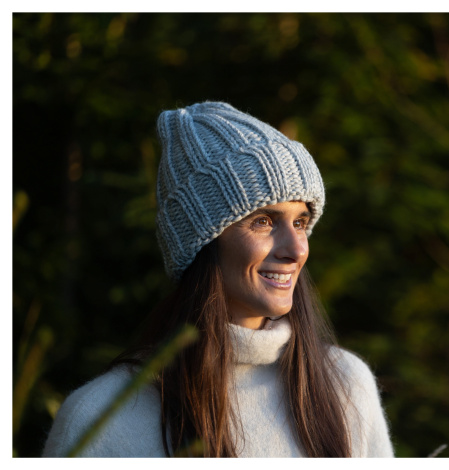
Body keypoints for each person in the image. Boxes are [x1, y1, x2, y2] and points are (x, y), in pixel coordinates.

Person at [42, 101, 394, 458]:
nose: (297, 249)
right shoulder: (99, 419)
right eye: (263, 221)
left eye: (300, 222)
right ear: (201, 243)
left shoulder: (346, 386)